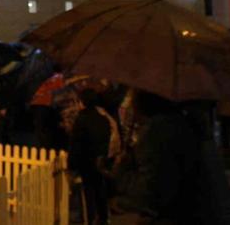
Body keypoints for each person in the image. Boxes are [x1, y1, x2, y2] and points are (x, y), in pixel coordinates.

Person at [106, 90, 206, 224]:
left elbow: (150, 190)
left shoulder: (156, 131)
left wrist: (121, 173)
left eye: (133, 97)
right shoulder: (183, 124)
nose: (130, 103)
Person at [68, 86, 118, 225]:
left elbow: (76, 144)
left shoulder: (81, 119)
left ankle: (90, 218)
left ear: (82, 102)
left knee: (88, 192)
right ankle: (102, 217)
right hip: (100, 160)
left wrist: (71, 164)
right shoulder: (102, 117)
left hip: (86, 162)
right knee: (100, 189)